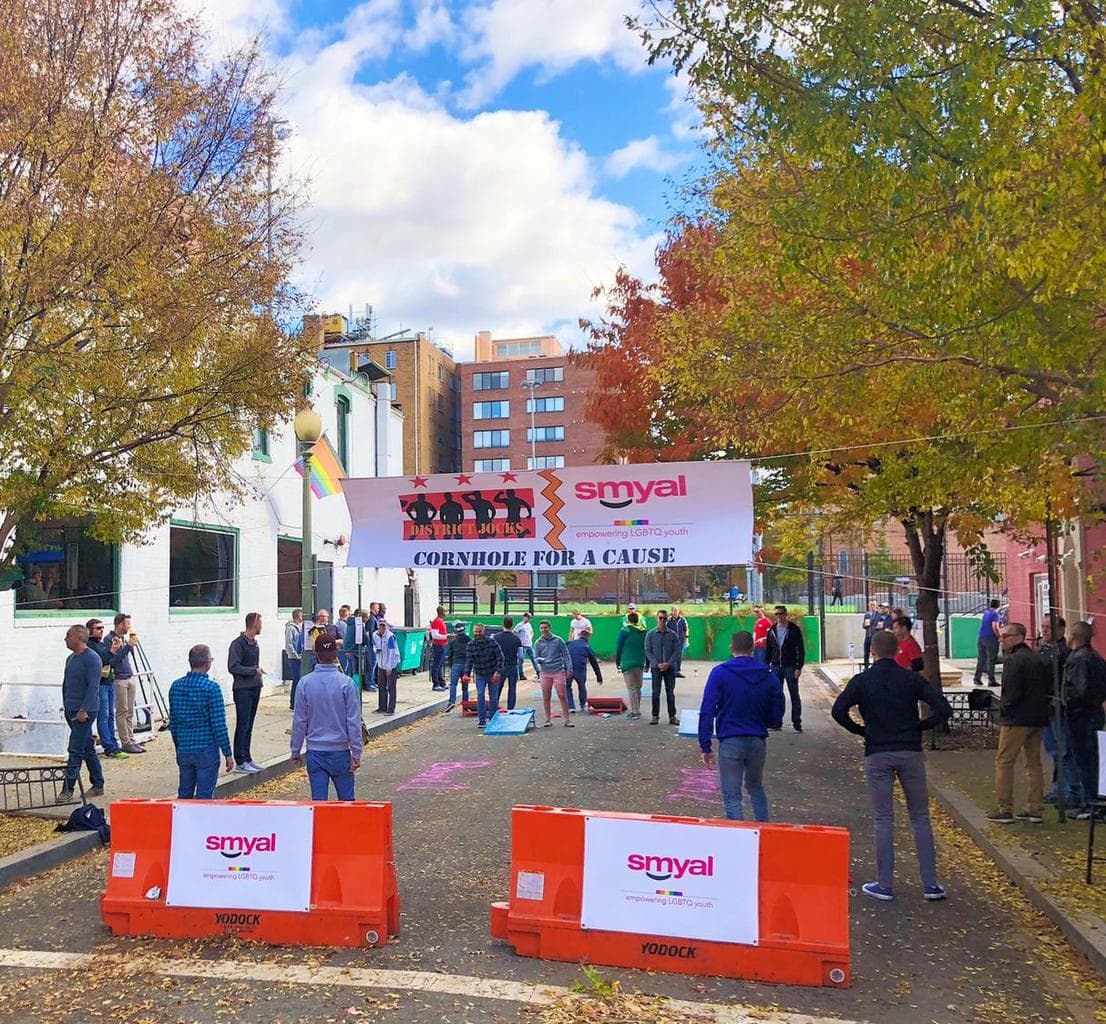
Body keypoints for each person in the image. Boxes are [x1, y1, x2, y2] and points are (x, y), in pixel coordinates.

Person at [831, 630, 952, 901]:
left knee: (883, 818)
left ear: (873, 651)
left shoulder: (863, 681)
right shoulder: (911, 679)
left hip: (878, 751)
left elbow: (838, 711)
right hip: (909, 750)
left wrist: (862, 730)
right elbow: (943, 709)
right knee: (920, 816)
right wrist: (920, 727)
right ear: (897, 651)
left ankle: (884, 884)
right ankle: (930, 884)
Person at [698, 631, 785, 821]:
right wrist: (770, 721)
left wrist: (705, 745)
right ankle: (764, 831)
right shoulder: (767, 675)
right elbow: (778, 703)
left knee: (732, 796)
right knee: (755, 787)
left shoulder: (720, 673)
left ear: (731, 648)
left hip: (730, 739)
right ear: (753, 648)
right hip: (757, 739)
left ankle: (738, 839)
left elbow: (707, 709)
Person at [988, 621, 1050, 824]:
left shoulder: (1014, 661)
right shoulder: (1036, 658)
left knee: (1004, 761)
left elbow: (1011, 693)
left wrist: (1003, 710)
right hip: (1037, 717)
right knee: (1034, 763)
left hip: (1016, 718)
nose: (1002, 640)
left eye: (1006, 636)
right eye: (1001, 636)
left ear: (1019, 637)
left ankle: (1005, 808)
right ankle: (1035, 808)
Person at [291, 634, 362, 800]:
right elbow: (353, 721)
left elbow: (300, 720)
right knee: (346, 803)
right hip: (340, 750)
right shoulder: (347, 683)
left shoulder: (305, 683)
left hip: (315, 750)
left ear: (316, 654)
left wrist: (295, 749)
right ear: (336, 653)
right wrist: (356, 752)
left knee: (319, 804)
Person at [168, 644, 234, 799]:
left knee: (184, 794)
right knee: (204, 796)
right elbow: (218, 725)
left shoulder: (175, 686)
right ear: (208, 663)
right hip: (206, 747)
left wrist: (178, 745)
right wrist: (227, 753)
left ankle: (183, 822)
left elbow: (173, 722)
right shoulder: (212, 688)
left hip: (184, 746)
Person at [1064, 621, 1106, 821]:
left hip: (1082, 715)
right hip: (1094, 712)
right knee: (1092, 759)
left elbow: (1078, 690)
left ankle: (1091, 803)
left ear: (1072, 636)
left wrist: (1067, 701)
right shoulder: (1095, 657)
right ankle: (1092, 802)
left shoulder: (1079, 659)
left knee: (1086, 761)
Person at [59, 624, 105, 801]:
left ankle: (68, 788)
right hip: (71, 708)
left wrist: (84, 709)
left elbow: (93, 686)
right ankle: (98, 783)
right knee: (86, 747)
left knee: (75, 748)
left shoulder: (92, 659)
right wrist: (66, 704)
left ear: (78, 637)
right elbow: (66, 683)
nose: (66, 638)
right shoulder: (71, 659)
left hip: (84, 711)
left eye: (68, 635)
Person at [1038, 616, 1078, 806]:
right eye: (1043, 627)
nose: (1044, 631)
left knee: (1064, 751)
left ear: (1061, 630)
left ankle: (1071, 790)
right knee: (1054, 750)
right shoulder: (1044, 649)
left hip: (1059, 708)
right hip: (1046, 708)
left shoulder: (1064, 652)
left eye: (1049, 627)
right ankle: (1059, 787)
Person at [228, 611, 264, 774]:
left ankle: (247, 757)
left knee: (249, 725)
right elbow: (233, 666)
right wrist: (253, 671)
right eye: (260, 623)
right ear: (254, 623)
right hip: (243, 688)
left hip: (255, 686)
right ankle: (240, 760)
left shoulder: (254, 643)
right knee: (242, 724)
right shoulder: (238, 644)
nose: (261, 626)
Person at [85, 618, 126, 760]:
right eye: (98, 628)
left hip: (109, 681)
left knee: (110, 714)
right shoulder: (89, 646)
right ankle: (109, 746)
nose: (101, 631)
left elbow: (112, 661)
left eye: (102, 628)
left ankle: (113, 744)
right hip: (101, 683)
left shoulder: (102, 645)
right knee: (103, 715)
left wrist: (119, 650)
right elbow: (102, 660)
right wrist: (111, 652)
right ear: (90, 630)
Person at [765, 606, 806, 733]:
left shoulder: (793, 629)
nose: (779, 617)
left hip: (790, 665)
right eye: (776, 614)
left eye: (781, 614)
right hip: (776, 665)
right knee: (777, 694)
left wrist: (798, 667)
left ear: (786, 614)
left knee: (794, 693)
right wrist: (767, 666)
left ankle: (797, 722)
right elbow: (769, 650)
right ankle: (777, 722)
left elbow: (800, 649)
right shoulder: (772, 630)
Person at [108, 612, 144, 754]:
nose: (129, 626)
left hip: (129, 676)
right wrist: (128, 647)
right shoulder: (110, 639)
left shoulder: (123, 639)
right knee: (122, 711)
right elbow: (113, 661)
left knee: (130, 711)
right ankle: (125, 741)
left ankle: (131, 739)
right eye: (127, 623)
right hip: (119, 679)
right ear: (120, 624)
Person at [463, 622, 504, 727]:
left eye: (479, 632)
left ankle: (493, 719)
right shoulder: (470, 645)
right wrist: (466, 674)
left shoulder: (492, 642)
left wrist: (498, 672)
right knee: (480, 694)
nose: (477, 634)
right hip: (480, 673)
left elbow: (500, 657)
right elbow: (469, 661)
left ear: (484, 632)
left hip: (492, 672)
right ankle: (481, 721)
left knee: (493, 697)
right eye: (475, 632)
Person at [534, 619, 573, 727]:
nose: (543, 630)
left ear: (550, 628)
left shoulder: (558, 640)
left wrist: (569, 668)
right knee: (546, 697)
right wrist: (539, 661)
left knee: (562, 695)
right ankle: (547, 719)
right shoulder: (538, 642)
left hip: (558, 671)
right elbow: (535, 657)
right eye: (541, 628)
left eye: (545, 627)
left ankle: (567, 720)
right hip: (545, 672)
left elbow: (566, 654)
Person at [645, 610, 680, 726]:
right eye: (660, 618)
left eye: (664, 618)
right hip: (656, 668)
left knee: (670, 692)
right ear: (656, 618)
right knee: (655, 693)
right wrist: (656, 663)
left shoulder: (672, 634)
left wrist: (669, 663)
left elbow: (676, 651)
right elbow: (648, 651)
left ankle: (672, 716)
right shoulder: (650, 635)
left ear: (667, 619)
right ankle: (655, 716)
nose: (662, 620)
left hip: (669, 668)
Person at [615, 612, 648, 719]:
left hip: (627, 662)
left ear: (628, 620)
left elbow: (619, 647)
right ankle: (637, 709)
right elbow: (647, 648)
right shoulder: (643, 632)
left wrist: (618, 662)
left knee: (631, 688)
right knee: (638, 687)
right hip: (640, 662)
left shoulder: (624, 631)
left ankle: (635, 711)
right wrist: (648, 663)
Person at [566, 628, 603, 712]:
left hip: (568, 667)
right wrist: (599, 677)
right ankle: (582, 704)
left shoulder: (570, 643)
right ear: (588, 637)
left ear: (579, 635)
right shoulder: (587, 646)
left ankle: (571, 707)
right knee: (581, 685)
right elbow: (594, 662)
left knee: (567, 686)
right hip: (580, 668)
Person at [371, 617, 401, 715]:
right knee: (381, 686)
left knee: (391, 687)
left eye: (384, 626)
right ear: (378, 626)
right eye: (380, 626)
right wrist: (376, 650)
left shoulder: (390, 637)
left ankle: (391, 709)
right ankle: (382, 707)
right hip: (381, 663)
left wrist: (389, 667)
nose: (382, 628)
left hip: (391, 664)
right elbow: (374, 646)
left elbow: (392, 652)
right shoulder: (375, 635)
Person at [493, 617, 522, 710]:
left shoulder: (496, 637)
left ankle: (494, 707)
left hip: (500, 666)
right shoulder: (516, 639)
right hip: (512, 665)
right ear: (512, 625)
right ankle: (510, 709)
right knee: (512, 688)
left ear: (503, 624)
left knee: (497, 688)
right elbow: (521, 655)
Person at [444, 620, 471, 712]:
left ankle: (451, 701)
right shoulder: (469, 640)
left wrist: (451, 665)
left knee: (453, 684)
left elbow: (450, 654)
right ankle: (466, 703)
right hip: (466, 664)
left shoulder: (453, 641)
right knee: (465, 686)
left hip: (456, 663)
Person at [975, 598, 1002, 687]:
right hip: (991, 639)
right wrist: (999, 637)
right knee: (991, 659)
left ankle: (977, 678)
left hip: (981, 637)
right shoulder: (996, 614)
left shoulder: (986, 613)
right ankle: (991, 680)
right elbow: (995, 627)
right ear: (999, 606)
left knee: (981, 659)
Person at [285, 609, 304, 710]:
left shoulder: (300, 627)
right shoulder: (291, 628)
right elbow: (289, 644)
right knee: (296, 679)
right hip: (294, 658)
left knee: (300, 679)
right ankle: (293, 702)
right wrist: (296, 655)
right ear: (297, 616)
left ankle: (298, 701)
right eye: (301, 615)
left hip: (299, 657)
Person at [428, 606, 449, 692]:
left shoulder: (440, 621)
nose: (446, 612)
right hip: (438, 646)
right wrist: (446, 636)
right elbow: (435, 635)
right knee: (436, 665)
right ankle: (436, 684)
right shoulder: (437, 621)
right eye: (445, 611)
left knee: (440, 665)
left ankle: (441, 683)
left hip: (442, 645)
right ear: (441, 612)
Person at [516, 612, 539, 679]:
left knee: (534, 659)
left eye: (530, 618)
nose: (529, 619)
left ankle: (538, 672)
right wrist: (519, 641)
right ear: (525, 617)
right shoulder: (519, 625)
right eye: (528, 618)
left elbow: (532, 632)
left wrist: (530, 638)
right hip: (522, 646)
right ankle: (521, 674)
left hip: (529, 645)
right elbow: (514, 633)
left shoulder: (529, 625)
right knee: (521, 660)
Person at [669, 607, 689, 678]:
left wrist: (686, 639)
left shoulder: (683, 620)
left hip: (680, 640)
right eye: (674, 610)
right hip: (671, 641)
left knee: (679, 656)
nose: (675, 612)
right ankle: (671, 671)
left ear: (679, 611)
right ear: (671, 611)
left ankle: (677, 671)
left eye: (676, 610)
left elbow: (686, 629)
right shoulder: (668, 620)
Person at [861, 600, 882, 670]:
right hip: (868, 635)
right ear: (868, 605)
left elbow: (881, 624)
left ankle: (875, 666)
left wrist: (879, 626)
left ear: (876, 606)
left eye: (873, 605)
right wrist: (865, 624)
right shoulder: (867, 614)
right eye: (871, 605)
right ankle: (866, 666)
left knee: (875, 652)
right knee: (866, 651)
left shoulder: (879, 614)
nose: (872, 606)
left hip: (875, 635)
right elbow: (863, 626)